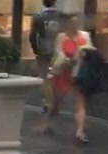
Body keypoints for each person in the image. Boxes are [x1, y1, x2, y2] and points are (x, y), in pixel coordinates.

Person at [41, 14, 97, 144]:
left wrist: (85, 54)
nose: (75, 25)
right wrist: (71, 57)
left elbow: (91, 52)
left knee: (80, 103)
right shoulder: (61, 37)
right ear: (67, 24)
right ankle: (49, 122)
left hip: (79, 74)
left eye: (77, 22)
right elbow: (58, 54)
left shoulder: (85, 36)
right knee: (57, 103)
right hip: (63, 73)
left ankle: (80, 132)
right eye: (72, 23)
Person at [28, 0, 62, 113]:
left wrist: (35, 49)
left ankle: (48, 102)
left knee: (44, 76)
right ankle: (56, 101)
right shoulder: (61, 17)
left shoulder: (38, 17)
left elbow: (33, 35)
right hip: (58, 50)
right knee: (57, 75)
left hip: (42, 50)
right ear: (55, 2)